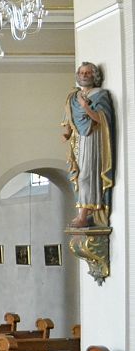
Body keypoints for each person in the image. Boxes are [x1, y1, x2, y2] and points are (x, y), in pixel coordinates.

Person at [62, 62, 115, 228]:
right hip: (78, 139)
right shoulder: (73, 96)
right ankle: (86, 212)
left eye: (88, 73)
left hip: (93, 137)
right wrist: (67, 133)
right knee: (79, 175)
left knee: (87, 175)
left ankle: (83, 216)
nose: (84, 75)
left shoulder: (100, 94)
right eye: (81, 73)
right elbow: (69, 116)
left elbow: (102, 119)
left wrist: (86, 106)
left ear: (94, 75)